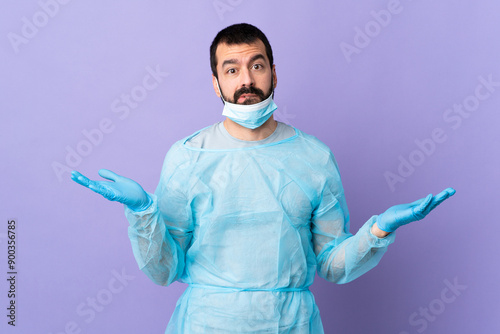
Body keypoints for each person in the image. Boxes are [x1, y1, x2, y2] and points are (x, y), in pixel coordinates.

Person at [71, 23, 455, 333]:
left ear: (273, 73)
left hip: (290, 322)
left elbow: (332, 265)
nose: (246, 80)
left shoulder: (314, 157)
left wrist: (377, 232)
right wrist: (143, 213)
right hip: (208, 323)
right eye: (231, 69)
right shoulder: (188, 157)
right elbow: (164, 270)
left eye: (256, 65)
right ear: (216, 82)